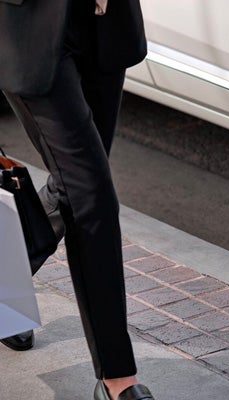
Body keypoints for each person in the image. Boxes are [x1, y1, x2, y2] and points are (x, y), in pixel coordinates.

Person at [0, 0, 154, 399]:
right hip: (25, 22)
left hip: (104, 18)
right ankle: (118, 379)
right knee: (92, 194)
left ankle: (4, 286)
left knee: (75, 186)